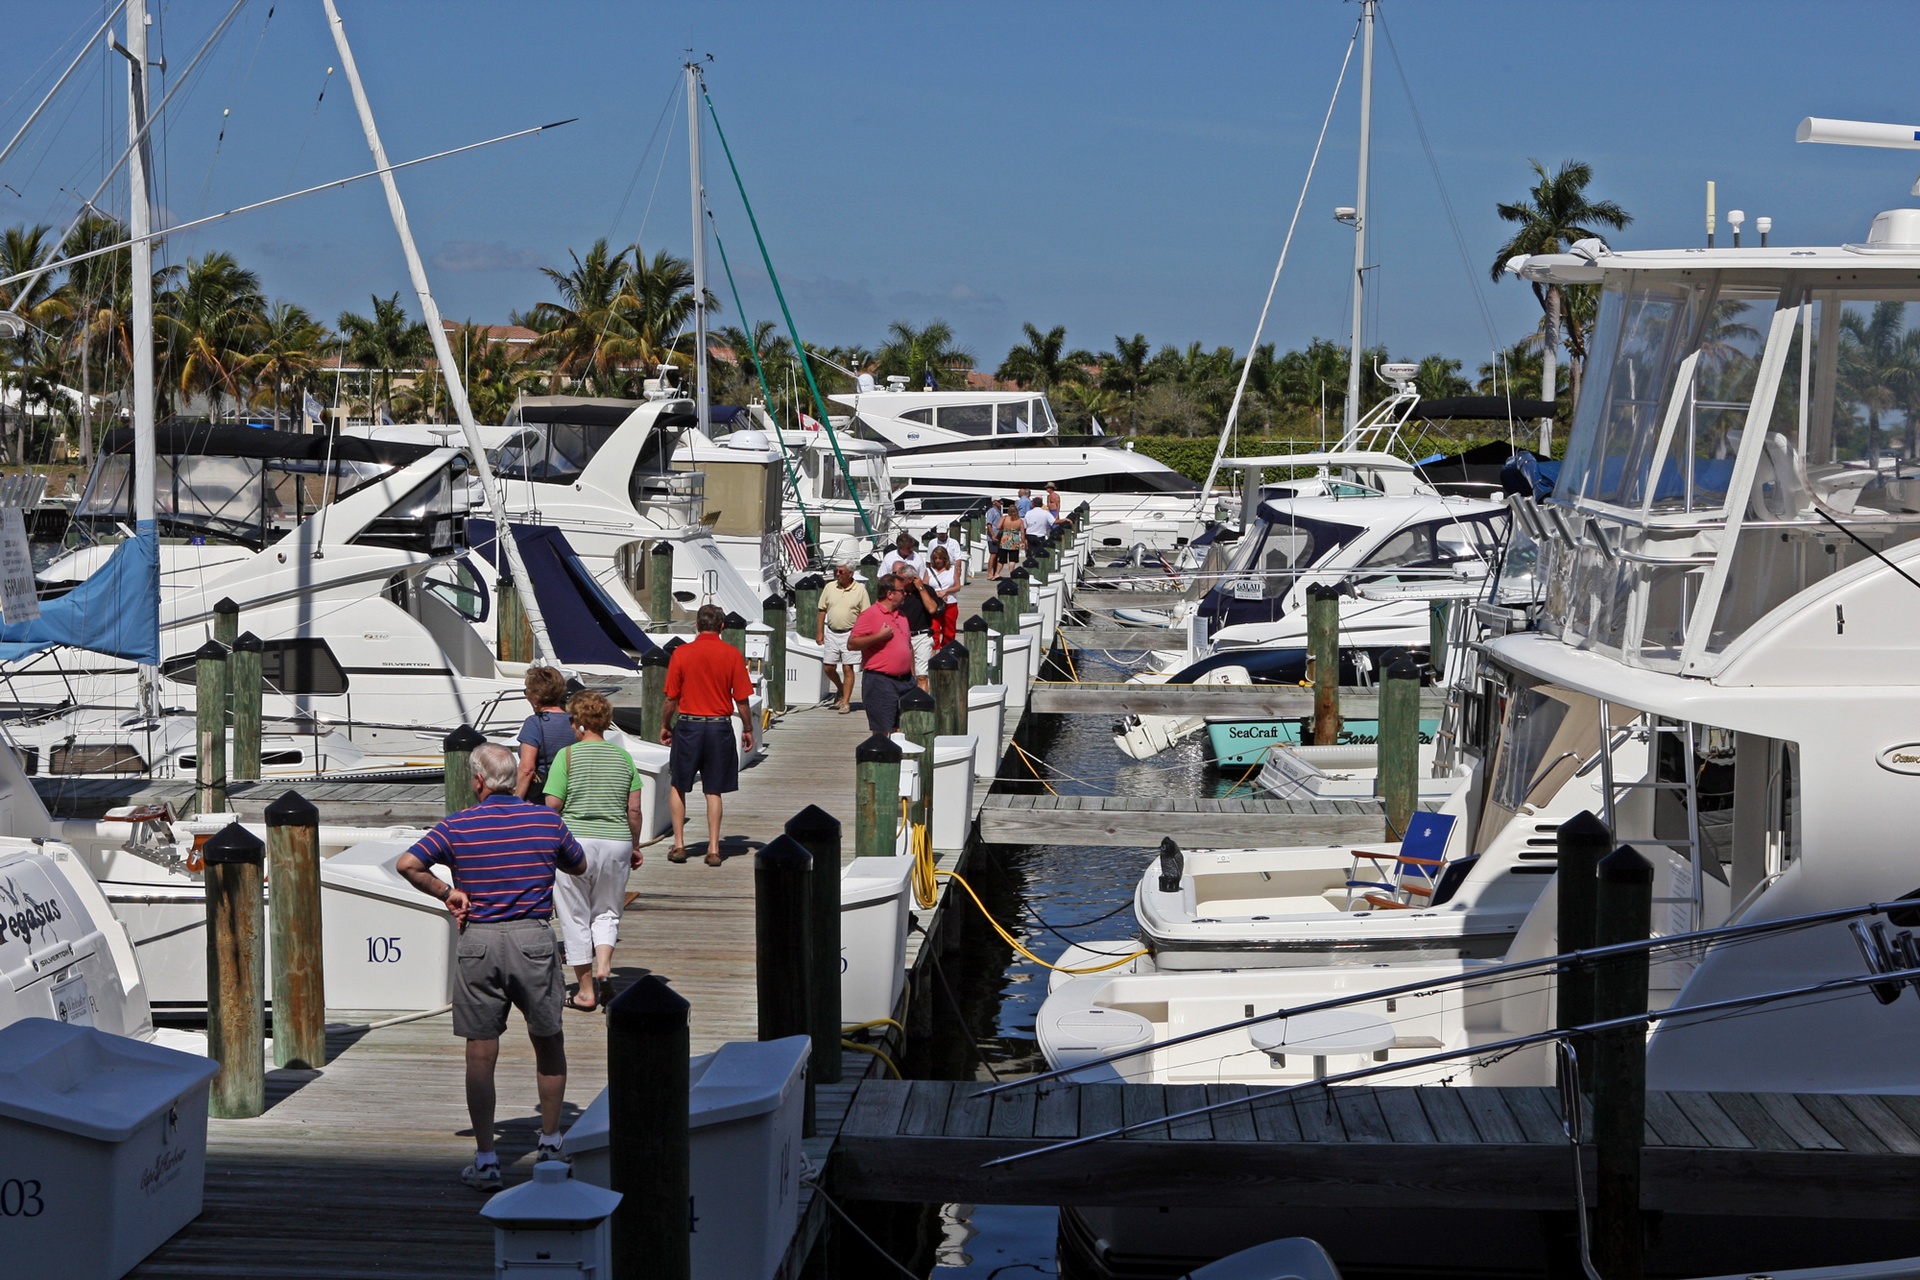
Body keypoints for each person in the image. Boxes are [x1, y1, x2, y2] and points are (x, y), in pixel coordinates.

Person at [396, 743, 587, 1190]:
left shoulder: (457, 825)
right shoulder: (546, 820)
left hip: (479, 941)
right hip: (533, 941)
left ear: (478, 781)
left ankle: (486, 1158)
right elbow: (577, 866)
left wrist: (448, 893)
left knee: (481, 1054)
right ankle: (552, 1141)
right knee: (548, 1041)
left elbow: (408, 864)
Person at [543, 690, 644, 1014]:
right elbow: (634, 810)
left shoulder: (567, 756)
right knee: (607, 912)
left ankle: (586, 991)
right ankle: (603, 966)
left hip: (576, 846)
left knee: (574, 917)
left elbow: (552, 806)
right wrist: (636, 845)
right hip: (616, 843)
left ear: (580, 723)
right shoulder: (624, 758)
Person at [660, 604, 754, 867]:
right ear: (722, 626)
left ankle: (679, 845)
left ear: (697, 625)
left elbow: (670, 698)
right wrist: (747, 728)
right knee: (714, 790)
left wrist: (665, 724)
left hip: (689, 725)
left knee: (679, 784)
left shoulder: (682, 653)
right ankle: (713, 848)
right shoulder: (732, 654)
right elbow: (743, 700)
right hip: (718, 726)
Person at [848, 572, 915, 733]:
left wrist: (913, 676)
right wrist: (879, 636)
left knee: (905, 728)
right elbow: (852, 643)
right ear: (890, 594)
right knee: (882, 731)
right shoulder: (870, 615)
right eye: (902, 591)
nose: (905, 594)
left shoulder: (902, 615)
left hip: (906, 681)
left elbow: (908, 646)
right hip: (880, 682)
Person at [816, 562, 869, 715]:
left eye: (841, 572)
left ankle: (845, 702)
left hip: (851, 633)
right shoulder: (830, 587)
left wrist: (861, 635)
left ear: (851, 574)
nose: (837, 574)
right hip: (831, 632)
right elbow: (822, 610)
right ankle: (840, 688)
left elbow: (865, 615)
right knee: (828, 667)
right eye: (836, 571)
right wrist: (819, 632)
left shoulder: (860, 591)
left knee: (848, 667)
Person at [515, 667, 572, 801]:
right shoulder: (575, 721)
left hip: (543, 797)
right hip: (571, 794)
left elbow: (527, 769)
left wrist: (516, 801)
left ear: (535, 698)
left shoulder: (534, 723)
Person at [895, 563, 939, 691]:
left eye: (901, 579)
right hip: (902, 637)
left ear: (910, 579)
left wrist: (920, 588)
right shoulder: (897, 593)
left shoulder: (927, 590)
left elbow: (932, 609)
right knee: (902, 674)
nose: (898, 582)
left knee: (922, 676)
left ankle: (922, 705)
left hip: (921, 636)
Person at [925, 545, 962, 649]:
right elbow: (924, 587)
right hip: (934, 604)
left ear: (945, 559)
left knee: (949, 632)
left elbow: (958, 586)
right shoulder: (928, 571)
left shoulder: (953, 569)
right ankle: (934, 652)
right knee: (934, 630)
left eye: (940, 558)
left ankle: (947, 651)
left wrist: (946, 591)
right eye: (935, 558)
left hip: (950, 604)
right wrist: (936, 594)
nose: (937, 561)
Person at [995, 500, 1028, 576]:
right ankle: (1011, 573)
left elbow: (998, 527)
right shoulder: (1019, 521)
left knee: (1002, 559)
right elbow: (1022, 532)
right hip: (1015, 540)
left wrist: (1004, 528)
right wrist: (1023, 542)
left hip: (1005, 539)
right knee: (1012, 559)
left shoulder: (1005, 518)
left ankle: (997, 573)